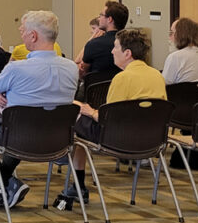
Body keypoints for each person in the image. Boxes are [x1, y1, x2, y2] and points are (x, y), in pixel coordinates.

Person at [0, 11, 78, 209]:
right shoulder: (71, 68)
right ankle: (5, 182)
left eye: (23, 32)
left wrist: (1, 93)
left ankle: (4, 180)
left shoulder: (16, 68)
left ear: (33, 36)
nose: (21, 36)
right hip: (57, 139)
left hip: (17, 135)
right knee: (22, 128)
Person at [56, 29, 167, 209]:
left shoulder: (123, 78)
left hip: (119, 139)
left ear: (127, 53)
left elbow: (110, 120)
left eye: (115, 47)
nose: (112, 51)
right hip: (151, 140)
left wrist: (90, 111)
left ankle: (78, 184)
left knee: (77, 122)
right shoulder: (156, 75)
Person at [79, 0, 128, 78]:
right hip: (121, 88)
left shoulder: (94, 44)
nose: (99, 19)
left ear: (110, 19)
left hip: (96, 89)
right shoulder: (130, 44)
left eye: (101, 15)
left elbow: (83, 71)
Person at [162, 17, 198, 84]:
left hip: (181, 94)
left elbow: (163, 86)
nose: (169, 37)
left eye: (172, 33)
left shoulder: (175, 57)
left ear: (181, 35)